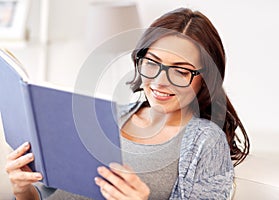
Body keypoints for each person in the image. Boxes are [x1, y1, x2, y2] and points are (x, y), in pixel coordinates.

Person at [5, 7, 249, 200]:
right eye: (152, 63)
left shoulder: (205, 141)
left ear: (205, 80)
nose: (160, 81)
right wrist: (23, 189)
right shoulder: (110, 116)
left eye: (181, 72)